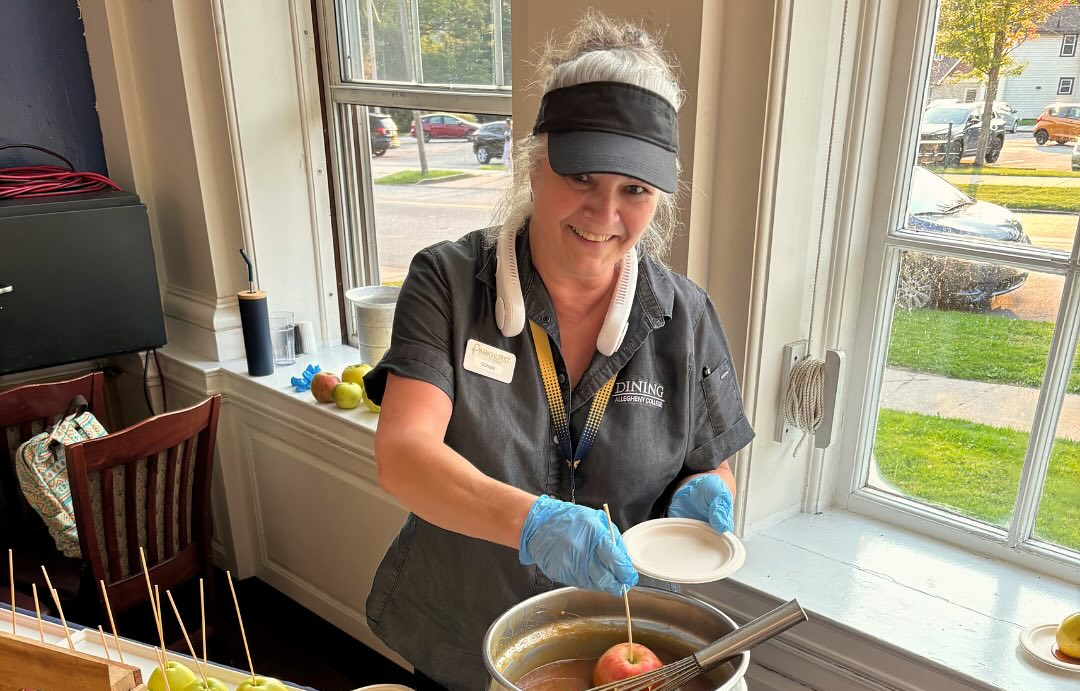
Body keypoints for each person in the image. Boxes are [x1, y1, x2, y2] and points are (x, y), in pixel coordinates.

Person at [362, 12, 754, 691]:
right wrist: (530, 521)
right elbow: (403, 457)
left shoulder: (685, 317)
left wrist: (705, 494)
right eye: (582, 178)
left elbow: (711, 465)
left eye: (634, 190)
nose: (605, 215)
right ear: (536, 162)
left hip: (610, 653)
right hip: (461, 642)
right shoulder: (448, 285)